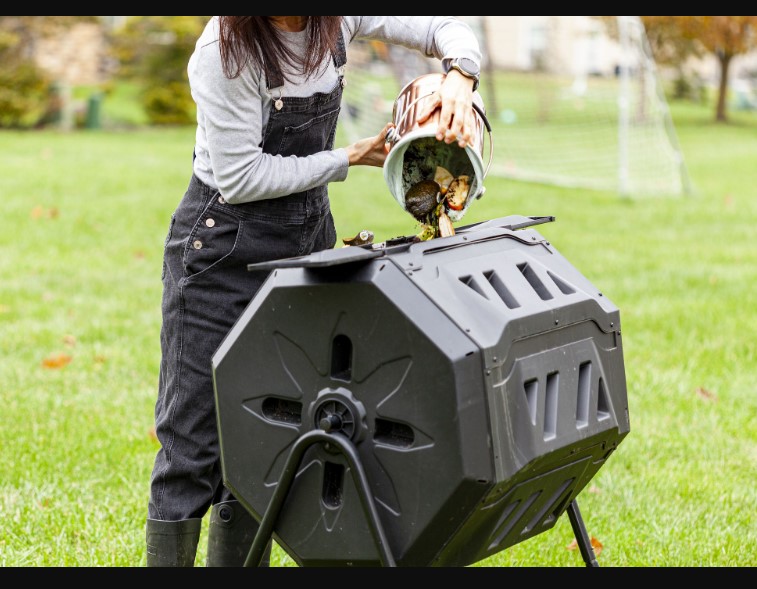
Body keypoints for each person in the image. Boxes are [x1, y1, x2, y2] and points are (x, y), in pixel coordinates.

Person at [146, 15, 482, 568]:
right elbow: (240, 177)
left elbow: (443, 25)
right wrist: (346, 157)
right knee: (193, 445)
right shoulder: (222, 51)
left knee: (268, 436)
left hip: (305, 246)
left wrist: (459, 76)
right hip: (221, 254)